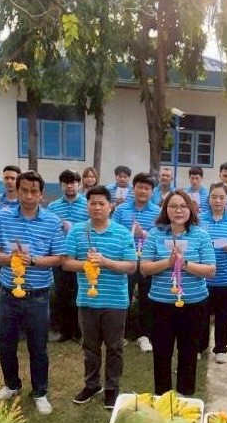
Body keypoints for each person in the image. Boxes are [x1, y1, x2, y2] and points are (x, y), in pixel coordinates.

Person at [0, 170, 66, 415]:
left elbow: (59, 258)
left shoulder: (52, 221)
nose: (29, 195)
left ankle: (40, 391)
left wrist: (32, 260)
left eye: (34, 191)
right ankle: (11, 385)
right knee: (6, 343)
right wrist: (11, 258)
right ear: (17, 191)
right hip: (8, 291)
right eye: (24, 190)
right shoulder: (2, 217)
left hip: (37, 293)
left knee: (38, 346)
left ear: (41, 194)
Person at [65, 186, 137, 408]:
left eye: (101, 203)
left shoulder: (122, 233)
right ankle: (92, 384)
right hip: (87, 301)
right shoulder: (77, 231)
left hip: (115, 301)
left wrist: (106, 263)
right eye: (92, 203)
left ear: (110, 206)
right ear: (87, 206)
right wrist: (86, 264)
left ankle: (112, 387)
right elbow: (66, 262)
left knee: (115, 347)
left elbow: (132, 266)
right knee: (90, 346)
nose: (96, 207)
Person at [141, 190, 216, 396]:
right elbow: (144, 268)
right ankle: (162, 396)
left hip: (194, 304)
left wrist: (185, 264)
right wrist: (168, 262)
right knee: (162, 353)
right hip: (161, 304)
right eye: (173, 206)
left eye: (183, 206)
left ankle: (185, 397)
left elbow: (210, 270)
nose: (178, 210)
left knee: (189, 352)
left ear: (190, 209)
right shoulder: (156, 233)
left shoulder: (200, 234)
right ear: (165, 209)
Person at [112, 172, 159, 352]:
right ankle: (120, 334)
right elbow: (114, 233)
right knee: (123, 296)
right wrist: (130, 235)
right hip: (126, 262)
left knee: (147, 299)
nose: (142, 191)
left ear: (152, 191)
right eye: (140, 187)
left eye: (147, 188)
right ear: (134, 188)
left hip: (147, 263)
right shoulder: (121, 210)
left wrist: (144, 235)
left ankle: (144, 335)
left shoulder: (157, 212)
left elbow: (160, 238)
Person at [200, 182, 227, 364]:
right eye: (214, 197)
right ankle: (199, 347)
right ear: (208, 199)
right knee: (200, 316)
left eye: (221, 197)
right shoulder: (200, 220)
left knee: (223, 317)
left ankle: (221, 348)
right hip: (202, 279)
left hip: (226, 279)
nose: (217, 200)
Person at [47, 169, 88, 342]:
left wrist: (74, 227)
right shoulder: (53, 207)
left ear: (79, 184)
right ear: (61, 185)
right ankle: (64, 331)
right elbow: (48, 230)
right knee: (62, 294)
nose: (70, 186)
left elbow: (91, 227)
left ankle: (80, 332)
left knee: (81, 294)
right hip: (60, 255)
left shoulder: (88, 204)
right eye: (66, 183)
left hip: (81, 257)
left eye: (73, 182)